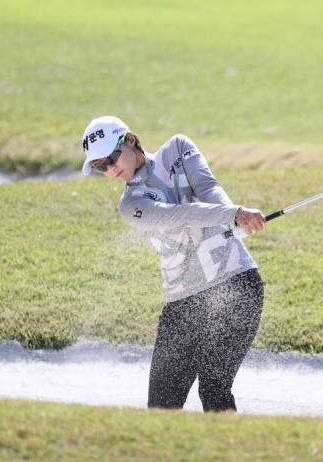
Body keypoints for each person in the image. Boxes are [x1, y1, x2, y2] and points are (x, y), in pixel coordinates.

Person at [81, 116, 267, 412]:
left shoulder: (178, 149)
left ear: (130, 140)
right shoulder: (131, 205)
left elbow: (209, 189)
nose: (110, 169)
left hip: (237, 283)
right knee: (161, 408)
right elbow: (180, 215)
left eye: (111, 158)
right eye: (100, 166)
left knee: (214, 389)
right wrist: (232, 214)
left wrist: (234, 213)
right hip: (184, 303)